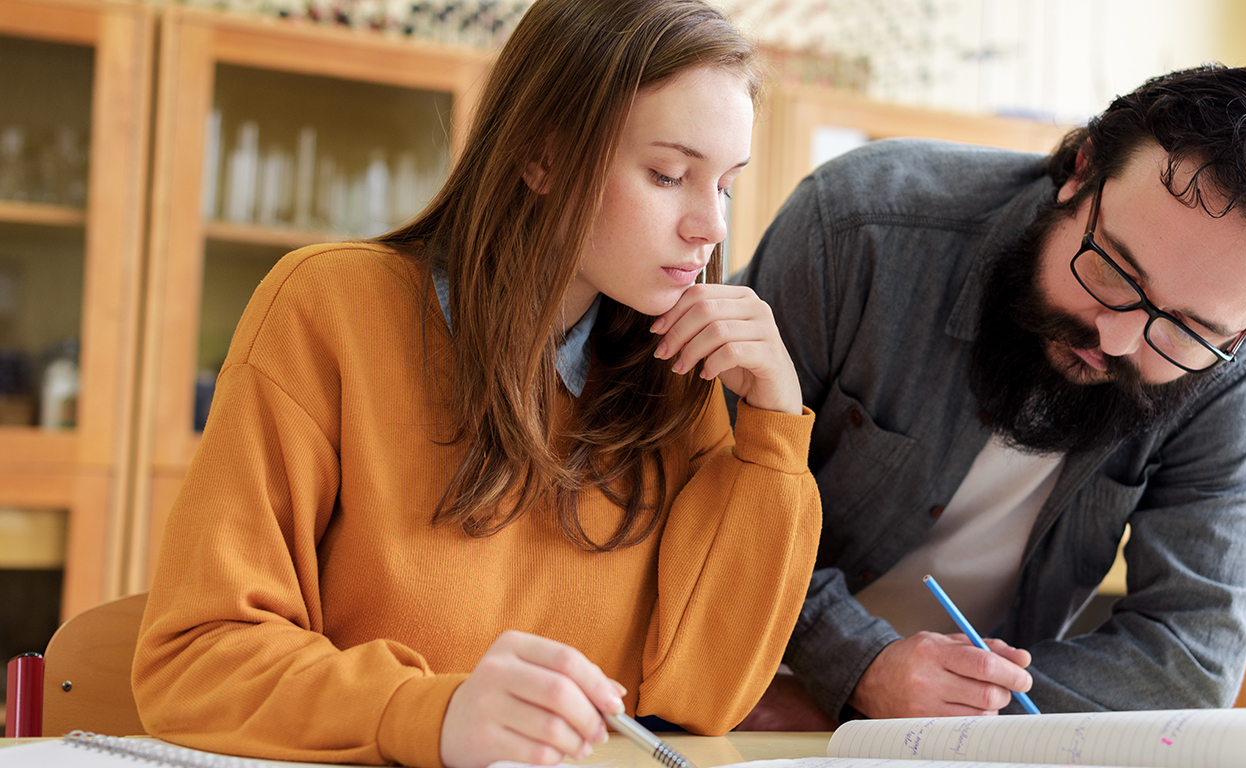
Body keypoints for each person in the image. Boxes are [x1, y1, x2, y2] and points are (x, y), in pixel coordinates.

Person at [132, 1, 821, 766]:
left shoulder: (674, 374)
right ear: (542, 157)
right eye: (668, 174)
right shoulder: (329, 308)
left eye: (724, 185)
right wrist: (431, 712)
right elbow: (193, 660)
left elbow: (702, 699)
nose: (712, 226)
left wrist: (773, 429)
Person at [734, 64, 1246, 727]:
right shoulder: (861, 226)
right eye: (1113, 269)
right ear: (1080, 169)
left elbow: (1191, 660)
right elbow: (701, 499)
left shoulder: (1239, 362)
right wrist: (856, 666)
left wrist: (941, 705)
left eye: (1186, 329)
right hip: (741, 685)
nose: (1118, 338)